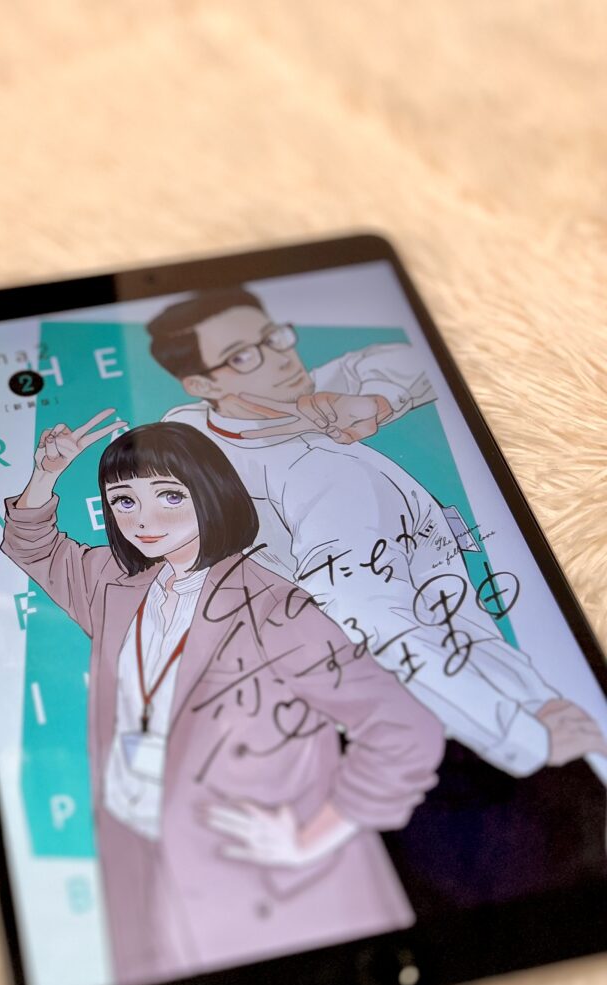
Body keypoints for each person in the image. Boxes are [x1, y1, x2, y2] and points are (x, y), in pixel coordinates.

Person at [146, 286, 607, 911]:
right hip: (456, 708)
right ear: (205, 383)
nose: (281, 357)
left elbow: (412, 361)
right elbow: (378, 623)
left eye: (274, 337)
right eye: (245, 355)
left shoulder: (196, 426)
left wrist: (373, 400)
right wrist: (519, 734)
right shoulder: (319, 475)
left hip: (380, 705)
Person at [1, 413, 444, 985]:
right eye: (124, 501)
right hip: (147, 861)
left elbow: (405, 729)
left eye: (169, 495)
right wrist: (46, 474)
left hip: (272, 892)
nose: (144, 520)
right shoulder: (115, 585)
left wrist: (310, 838)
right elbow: (33, 546)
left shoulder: (276, 608)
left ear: (209, 492)